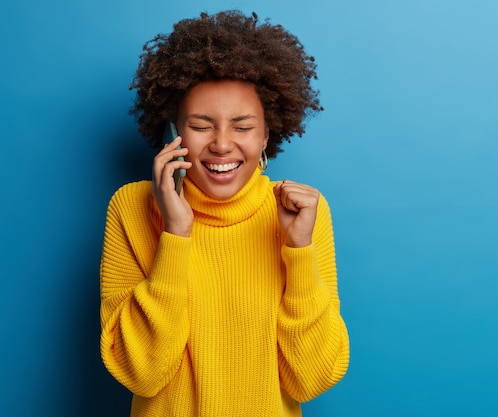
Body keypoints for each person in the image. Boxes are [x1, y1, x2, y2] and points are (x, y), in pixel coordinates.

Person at [100, 10, 349, 416]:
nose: (221, 144)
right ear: (172, 132)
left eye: (242, 126)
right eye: (201, 125)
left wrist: (298, 251)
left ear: (268, 133)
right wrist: (176, 234)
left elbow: (311, 377)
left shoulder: (302, 215)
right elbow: (139, 372)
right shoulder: (131, 208)